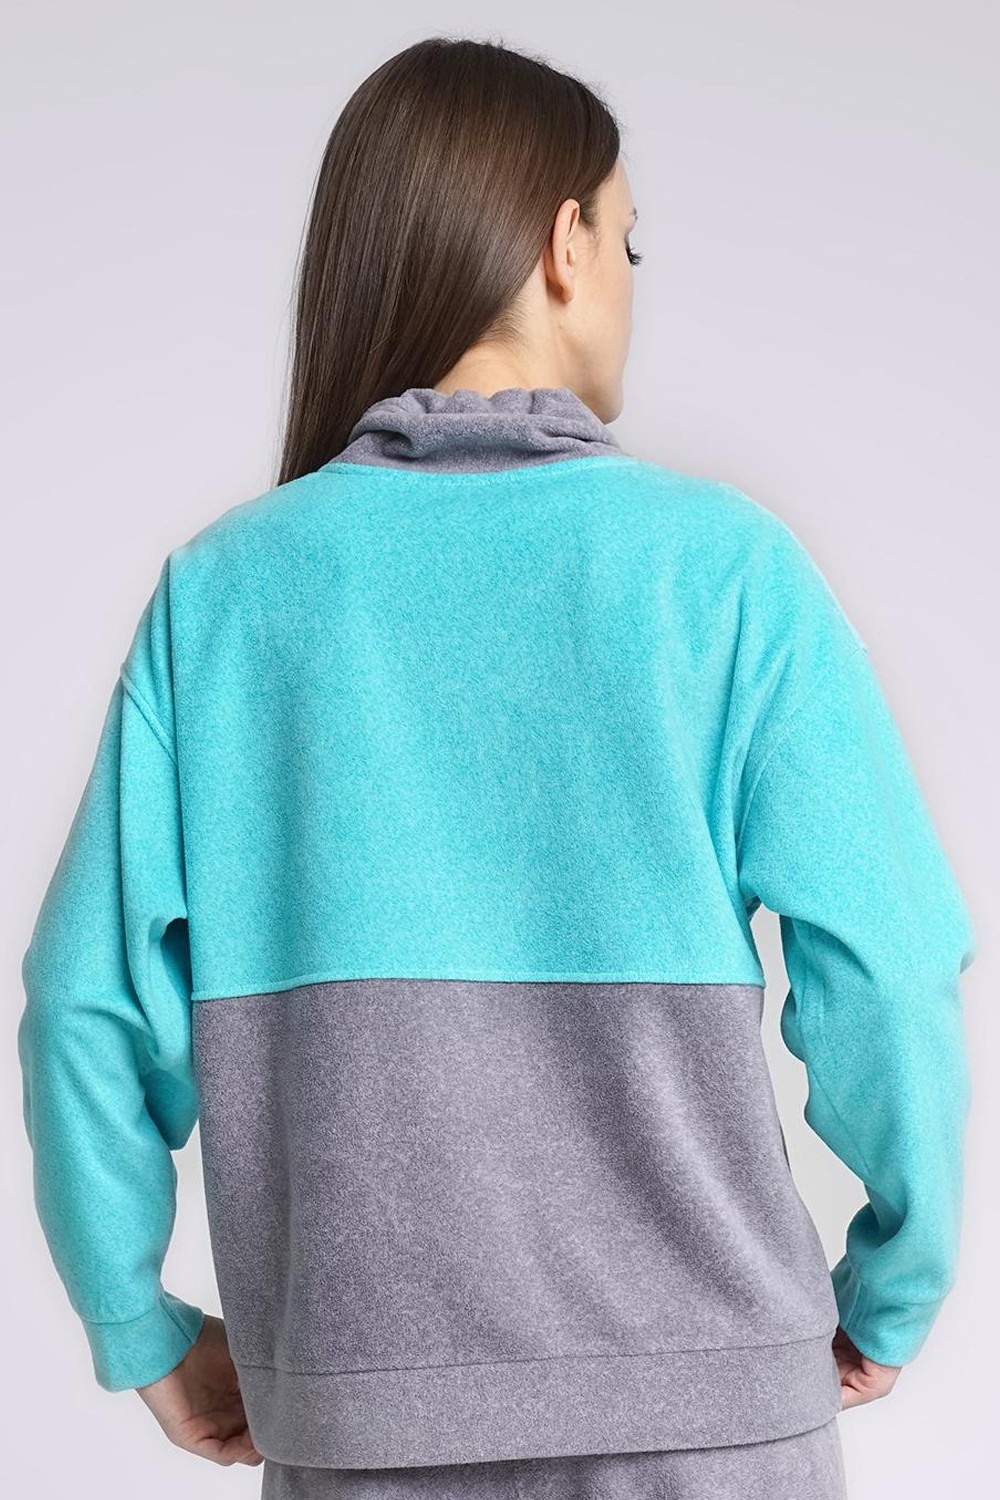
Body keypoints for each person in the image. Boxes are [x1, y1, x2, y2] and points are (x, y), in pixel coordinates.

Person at [16, 34, 976, 1500]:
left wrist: (136, 1325)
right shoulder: (724, 573)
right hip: (713, 1429)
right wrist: (893, 1287)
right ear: (564, 244)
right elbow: (889, 965)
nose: (632, 282)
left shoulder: (225, 599)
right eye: (629, 239)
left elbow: (85, 1008)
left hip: (363, 1439)